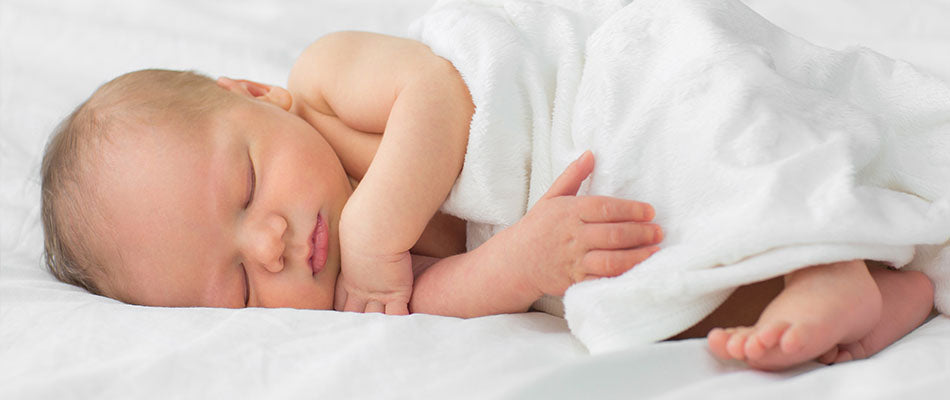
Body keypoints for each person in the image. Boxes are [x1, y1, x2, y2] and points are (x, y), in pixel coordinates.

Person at [41, 31, 934, 371]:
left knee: (704, 137)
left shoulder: (324, 83)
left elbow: (440, 91)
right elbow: (455, 292)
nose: (270, 243)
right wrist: (524, 263)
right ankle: (876, 291)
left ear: (253, 95)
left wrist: (377, 228)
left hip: (598, 98)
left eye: (244, 187)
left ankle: (828, 256)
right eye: (238, 285)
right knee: (638, 293)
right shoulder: (364, 293)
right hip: (579, 207)